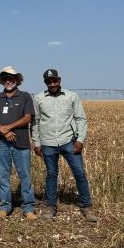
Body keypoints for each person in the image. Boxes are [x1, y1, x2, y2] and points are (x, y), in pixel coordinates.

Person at [32, 69, 98, 222]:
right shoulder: (39, 98)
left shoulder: (71, 96)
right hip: (48, 142)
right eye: (49, 81)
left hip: (69, 141)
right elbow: (35, 122)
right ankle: (50, 206)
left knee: (80, 174)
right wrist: (37, 142)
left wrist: (80, 139)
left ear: (60, 80)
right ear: (45, 83)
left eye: (55, 80)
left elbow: (80, 118)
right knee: (51, 175)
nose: (52, 84)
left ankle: (86, 206)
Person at [0, 66, 37, 220]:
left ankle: (28, 207)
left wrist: (8, 128)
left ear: (17, 80)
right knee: (3, 175)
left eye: (11, 78)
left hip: (21, 142)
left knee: (25, 176)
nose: (8, 81)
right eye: (5, 79)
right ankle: (5, 206)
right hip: (1, 143)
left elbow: (28, 118)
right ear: (2, 81)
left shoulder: (25, 97)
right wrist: (2, 130)